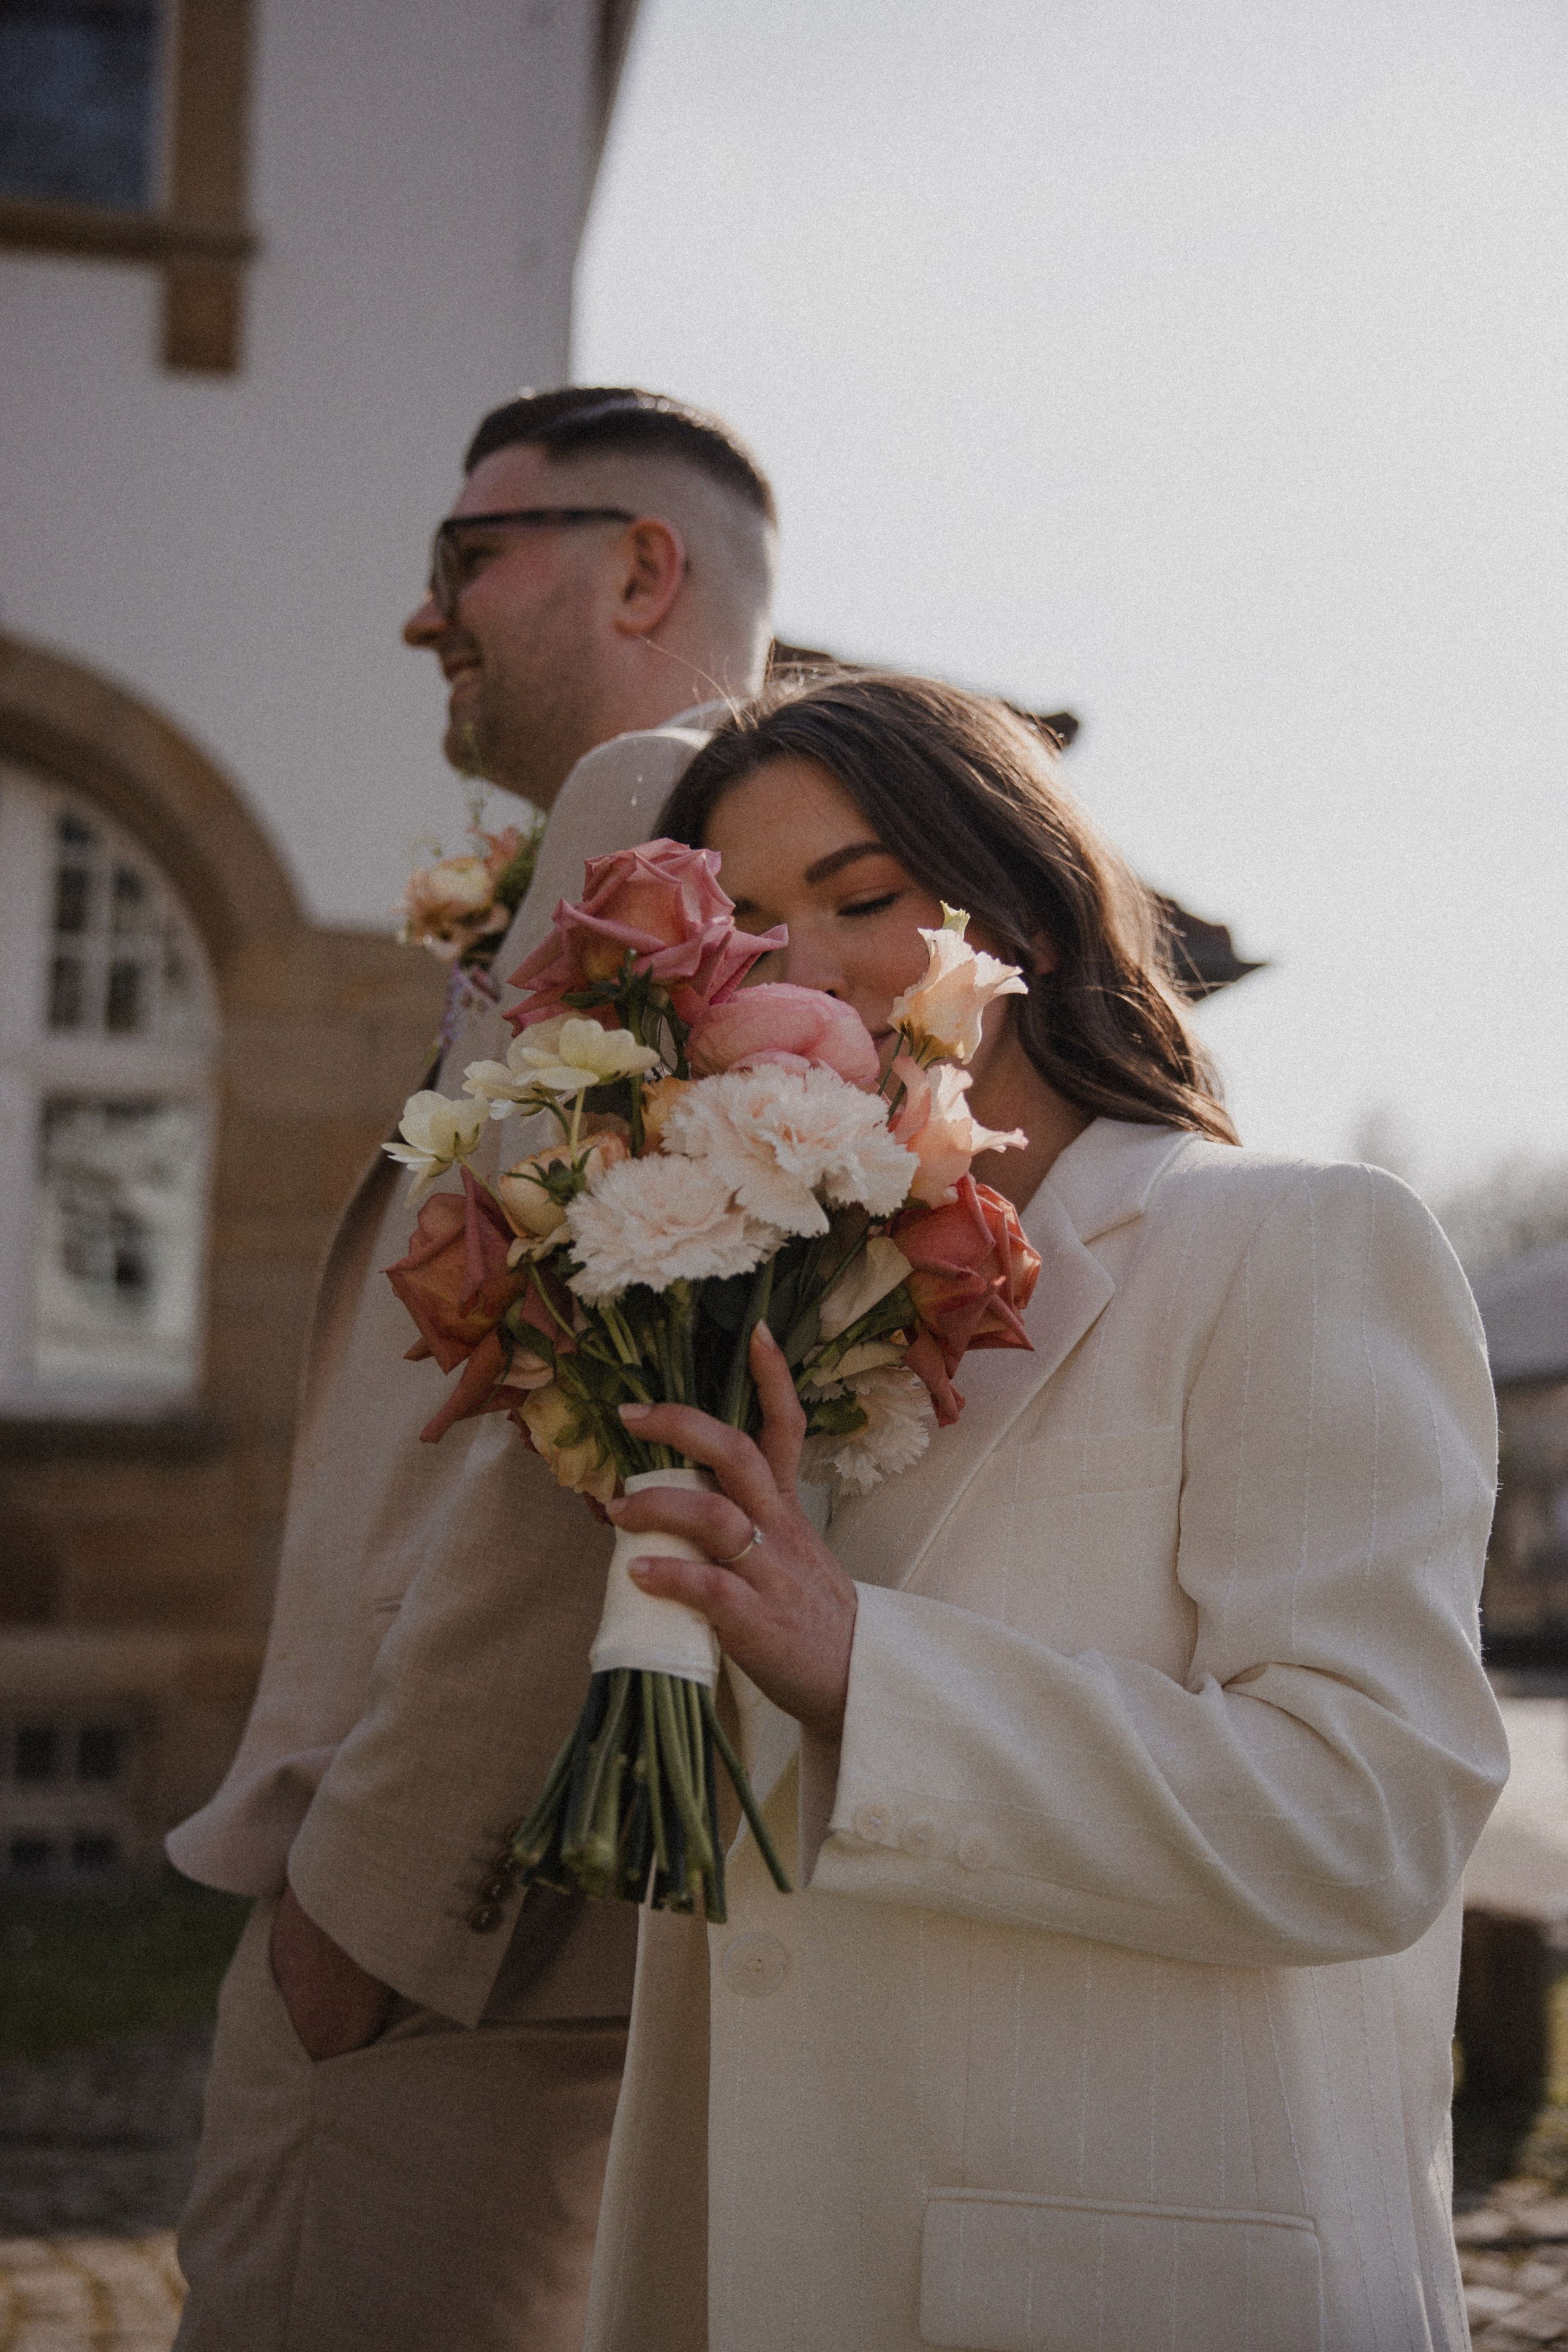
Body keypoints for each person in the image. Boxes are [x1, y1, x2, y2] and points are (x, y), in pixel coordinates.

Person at [576, 672, 1507, 2352]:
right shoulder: (751, 1308)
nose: (806, 977)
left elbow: (1369, 1818)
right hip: (762, 2264)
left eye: (864, 901)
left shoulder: (1294, 1244)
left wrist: (867, 1665)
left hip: (1120, 2283)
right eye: (742, 934)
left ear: (1037, 916)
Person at [166, 387, 777, 2352]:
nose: (423, 618)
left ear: (644, 566)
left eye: (466, 561)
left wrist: (375, 1913)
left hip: (445, 1955)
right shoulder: (744, 831)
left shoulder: (658, 811)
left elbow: (574, 1418)